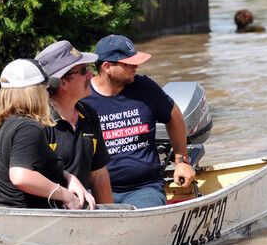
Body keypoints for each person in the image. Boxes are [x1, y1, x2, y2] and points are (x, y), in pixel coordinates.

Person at [81, 34, 196, 209]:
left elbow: (173, 115)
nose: (136, 66)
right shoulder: (82, 97)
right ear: (107, 67)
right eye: (129, 64)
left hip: (144, 188)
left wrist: (181, 161)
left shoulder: (145, 88)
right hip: (93, 189)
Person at [0, 58, 95, 210]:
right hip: (29, 219)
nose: (47, 93)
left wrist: (67, 176)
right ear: (35, 92)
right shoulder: (28, 128)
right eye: (44, 88)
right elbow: (21, 177)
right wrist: (66, 196)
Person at [36, 40, 113, 204]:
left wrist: (110, 219)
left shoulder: (89, 115)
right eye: (84, 71)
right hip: (47, 218)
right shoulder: (39, 123)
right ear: (63, 82)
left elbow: (98, 174)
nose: (91, 75)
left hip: (83, 213)